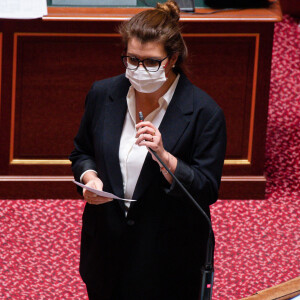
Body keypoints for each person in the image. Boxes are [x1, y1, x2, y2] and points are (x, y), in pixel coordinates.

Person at [69, 1, 226, 299]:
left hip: (167, 258)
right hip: (107, 249)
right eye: (132, 59)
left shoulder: (205, 113)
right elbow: (81, 152)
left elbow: (206, 189)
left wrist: (165, 157)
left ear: (172, 58)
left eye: (151, 61)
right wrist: (90, 179)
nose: (140, 68)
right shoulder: (103, 94)